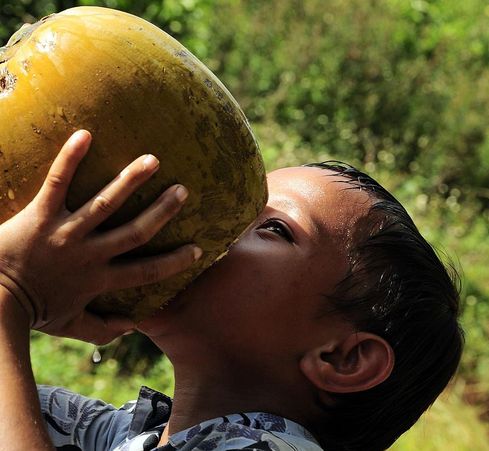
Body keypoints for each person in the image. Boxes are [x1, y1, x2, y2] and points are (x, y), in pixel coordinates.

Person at [0, 130, 464, 451]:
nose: (217, 226)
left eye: (274, 228)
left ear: (343, 358)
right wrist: (29, 299)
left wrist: (11, 294)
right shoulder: (124, 434)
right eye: (234, 207)